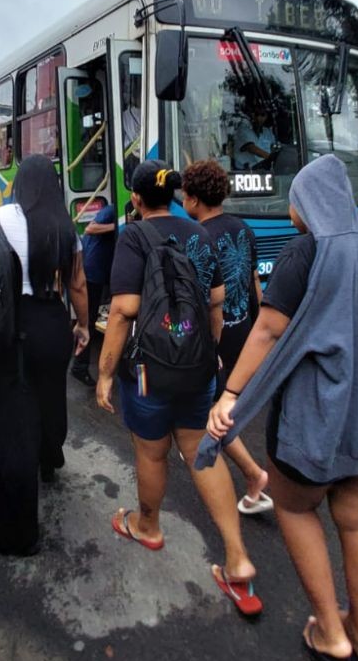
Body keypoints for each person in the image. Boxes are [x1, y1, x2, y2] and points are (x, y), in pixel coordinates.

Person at [197, 155, 358, 661]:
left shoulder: (304, 252)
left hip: (320, 422)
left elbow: (267, 331)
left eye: (295, 198)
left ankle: (329, 631)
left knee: (294, 506)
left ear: (308, 203)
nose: (290, 210)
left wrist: (231, 395)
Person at [97, 160, 261, 615]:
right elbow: (216, 303)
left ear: (135, 198)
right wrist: (209, 353)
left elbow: (122, 311)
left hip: (149, 369)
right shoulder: (201, 234)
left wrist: (106, 372)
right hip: (199, 366)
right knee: (200, 451)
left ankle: (147, 525)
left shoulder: (133, 236)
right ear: (173, 196)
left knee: (152, 452)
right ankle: (237, 557)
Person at [0, 155, 91, 556]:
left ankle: (16, 533)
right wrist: (83, 326)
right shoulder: (63, 225)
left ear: (18, 185)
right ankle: (50, 455)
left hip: (2, 330)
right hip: (50, 325)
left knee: (10, 420)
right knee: (50, 396)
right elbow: (78, 284)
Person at [179, 158, 273, 515]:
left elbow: (202, 302)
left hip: (215, 340)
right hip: (244, 333)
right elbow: (254, 284)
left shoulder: (197, 238)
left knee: (212, 414)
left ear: (193, 199)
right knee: (221, 409)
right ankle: (252, 476)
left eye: (185, 195)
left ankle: (253, 475)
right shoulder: (244, 228)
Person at [70, 194, 117, 386]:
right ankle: (79, 367)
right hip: (93, 270)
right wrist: (117, 226)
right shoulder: (113, 209)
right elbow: (91, 228)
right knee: (87, 320)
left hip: (103, 270)